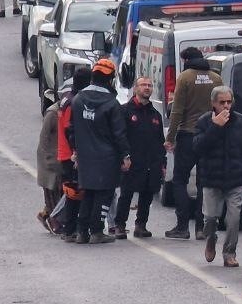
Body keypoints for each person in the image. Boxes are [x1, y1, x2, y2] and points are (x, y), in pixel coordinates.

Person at [68, 59, 130, 245]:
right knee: (104, 194)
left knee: (88, 193)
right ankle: (96, 231)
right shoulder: (112, 103)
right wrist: (125, 155)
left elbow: (71, 130)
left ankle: (81, 232)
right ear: (110, 79)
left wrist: (76, 151)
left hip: (85, 157)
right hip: (107, 159)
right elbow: (119, 133)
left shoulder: (78, 100)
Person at [193, 85, 242, 268]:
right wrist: (215, 127)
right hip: (211, 179)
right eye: (222, 102)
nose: (226, 106)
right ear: (213, 103)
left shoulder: (241, 121)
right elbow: (197, 147)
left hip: (234, 179)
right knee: (211, 218)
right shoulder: (204, 122)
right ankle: (211, 239)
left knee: (234, 219)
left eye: (229, 101)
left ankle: (229, 252)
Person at [165, 46, 220, 240]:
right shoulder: (216, 78)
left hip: (187, 135)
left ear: (186, 60)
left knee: (179, 180)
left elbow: (177, 111)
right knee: (203, 182)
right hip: (209, 136)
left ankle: (182, 226)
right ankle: (200, 227)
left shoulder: (185, 77)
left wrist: (170, 138)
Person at [115, 76, 165, 239]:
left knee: (147, 194)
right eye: (143, 85)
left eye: (150, 85)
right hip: (131, 161)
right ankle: (120, 225)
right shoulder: (124, 111)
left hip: (151, 162)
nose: (147, 88)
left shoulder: (155, 114)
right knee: (126, 194)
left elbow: (160, 141)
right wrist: (124, 156)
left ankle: (141, 225)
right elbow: (120, 136)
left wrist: (162, 163)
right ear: (136, 88)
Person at [56, 71, 90, 240]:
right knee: (74, 193)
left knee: (72, 192)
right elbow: (69, 129)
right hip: (70, 155)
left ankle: (67, 227)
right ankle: (68, 229)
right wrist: (75, 153)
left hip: (66, 152)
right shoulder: (73, 103)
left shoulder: (67, 98)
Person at [36, 92, 63, 232]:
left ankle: (45, 214)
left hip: (61, 159)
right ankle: (55, 221)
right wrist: (49, 160)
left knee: (61, 191)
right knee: (52, 190)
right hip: (50, 159)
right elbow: (44, 139)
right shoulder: (52, 113)